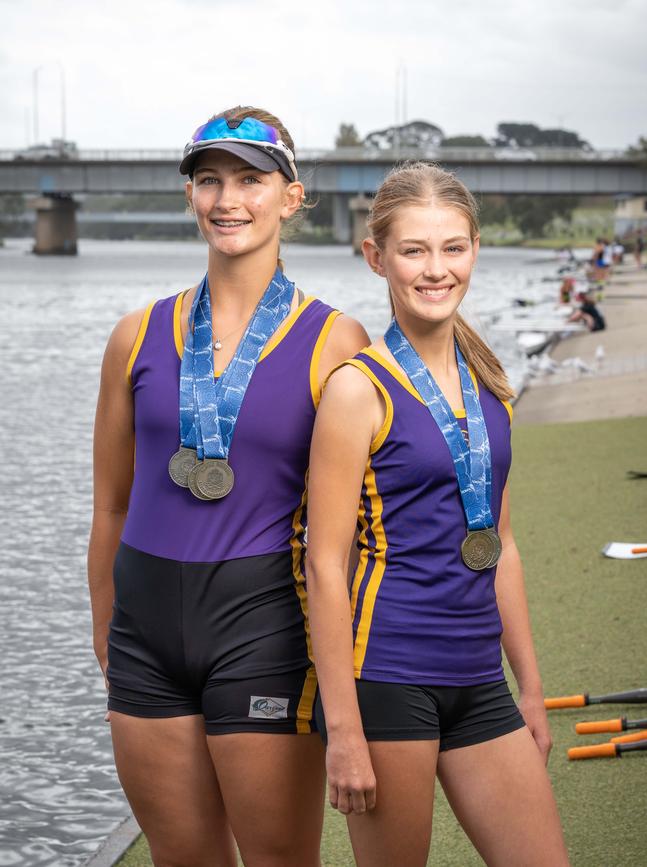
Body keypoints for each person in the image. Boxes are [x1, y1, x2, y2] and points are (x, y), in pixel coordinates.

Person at [88, 105, 369, 867]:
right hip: (144, 630)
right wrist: (105, 623)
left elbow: (351, 531)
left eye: (251, 178)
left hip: (265, 628)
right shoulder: (135, 335)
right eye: (208, 180)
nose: (227, 198)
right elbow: (111, 501)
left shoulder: (336, 340)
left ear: (292, 195)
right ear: (189, 197)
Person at [306, 162, 569, 866]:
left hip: (479, 675)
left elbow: (501, 545)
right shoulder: (356, 389)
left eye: (452, 248)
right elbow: (324, 565)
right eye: (414, 250)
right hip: (389, 675)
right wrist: (345, 730)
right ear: (377, 257)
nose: (435, 269)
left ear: (475, 249)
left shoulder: (491, 385)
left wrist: (532, 689)